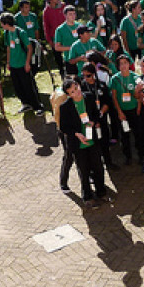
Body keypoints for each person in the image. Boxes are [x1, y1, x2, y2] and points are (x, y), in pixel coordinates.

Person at [58, 78, 109, 208]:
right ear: (69, 95)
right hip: (78, 144)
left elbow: (96, 114)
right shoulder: (65, 107)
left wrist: (93, 122)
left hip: (92, 140)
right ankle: (87, 197)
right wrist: (77, 134)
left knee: (98, 167)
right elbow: (63, 127)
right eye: (72, 92)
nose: (77, 92)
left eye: (76, 88)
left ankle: (101, 192)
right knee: (84, 170)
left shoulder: (89, 97)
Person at [0, 13, 44, 115]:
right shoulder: (6, 33)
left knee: (29, 86)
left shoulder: (21, 32)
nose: (1, 25)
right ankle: (25, 104)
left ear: (6, 23)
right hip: (13, 65)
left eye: (2, 23)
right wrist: (8, 62)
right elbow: (8, 48)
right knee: (18, 86)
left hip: (23, 64)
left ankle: (38, 106)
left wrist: (27, 63)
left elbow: (30, 48)